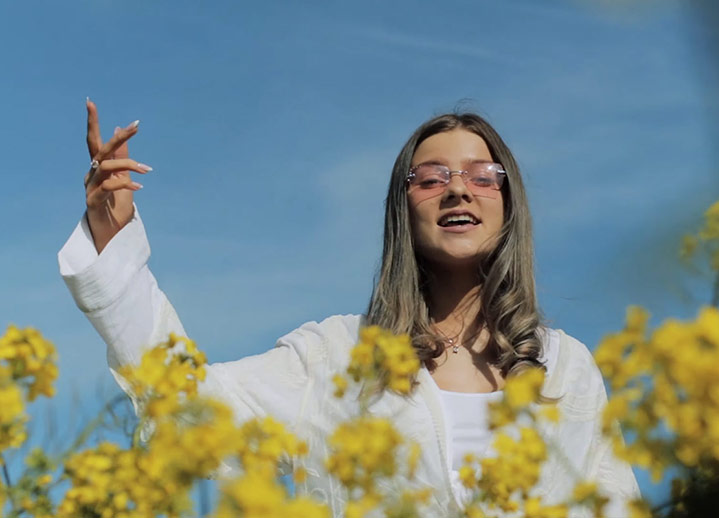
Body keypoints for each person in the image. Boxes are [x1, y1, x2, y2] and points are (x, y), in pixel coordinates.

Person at [59, 101, 640, 517]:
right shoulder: (338, 359)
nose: (458, 190)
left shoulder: (565, 370)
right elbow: (187, 402)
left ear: (510, 206)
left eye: (484, 178)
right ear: (402, 209)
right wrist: (115, 244)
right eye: (431, 177)